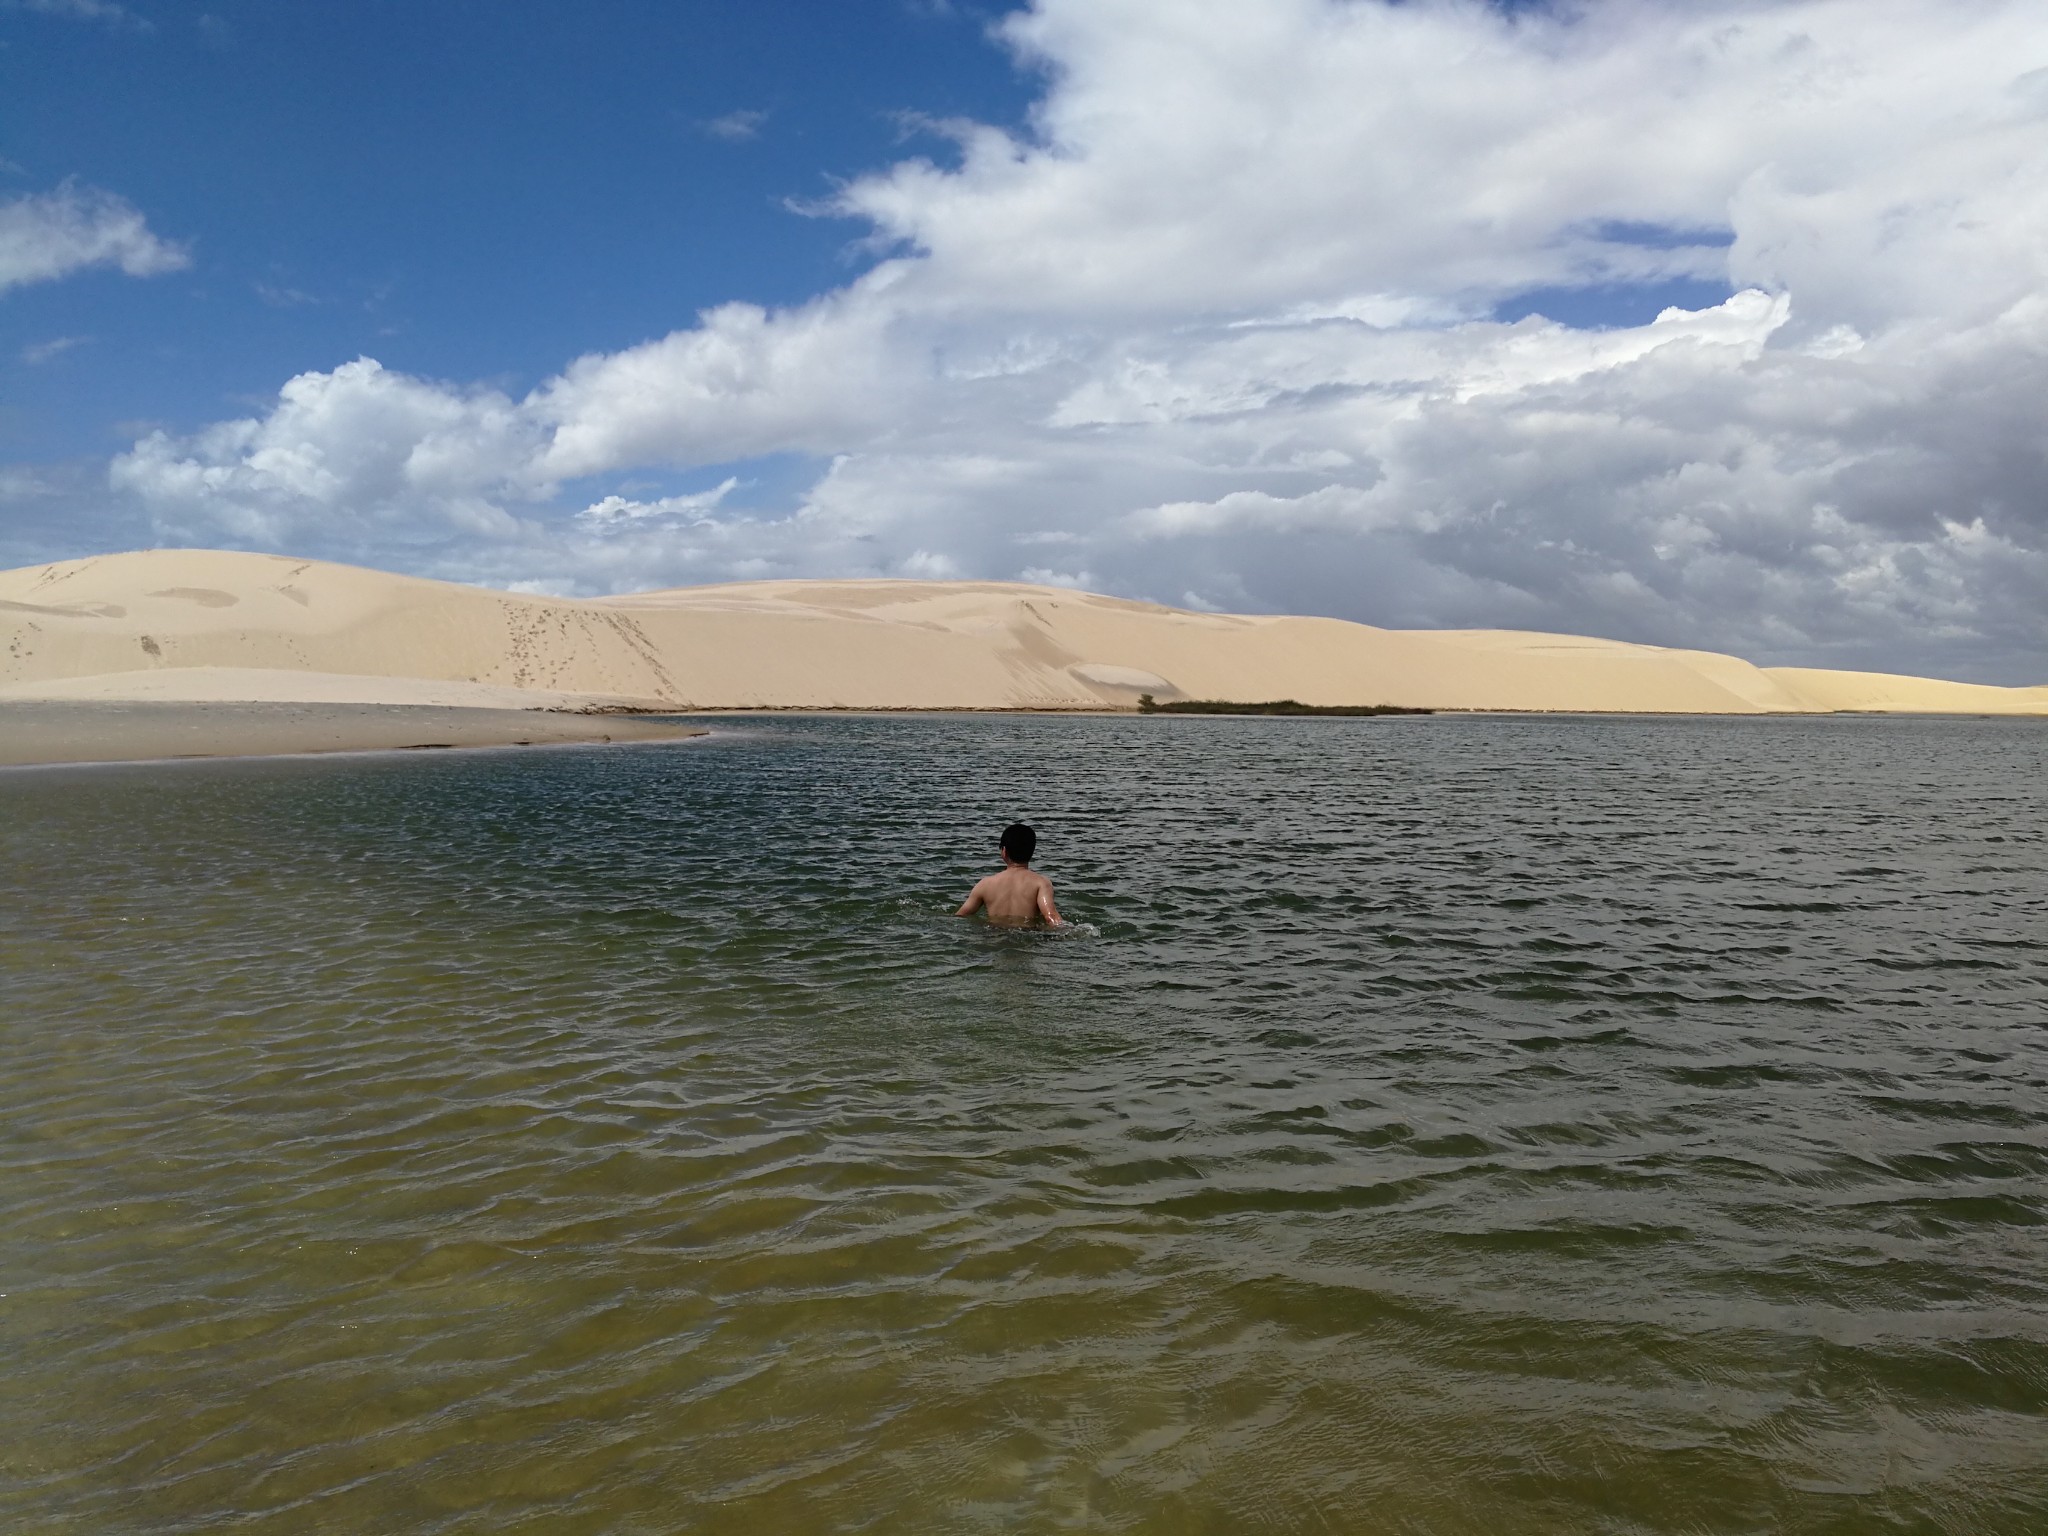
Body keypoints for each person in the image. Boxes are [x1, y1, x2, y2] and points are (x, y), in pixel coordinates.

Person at [956, 822, 1064, 927]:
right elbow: (1051, 916)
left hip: (994, 935)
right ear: (1032, 851)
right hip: (1026, 938)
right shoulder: (1040, 883)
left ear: (1004, 851)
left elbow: (960, 916)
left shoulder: (985, 884)